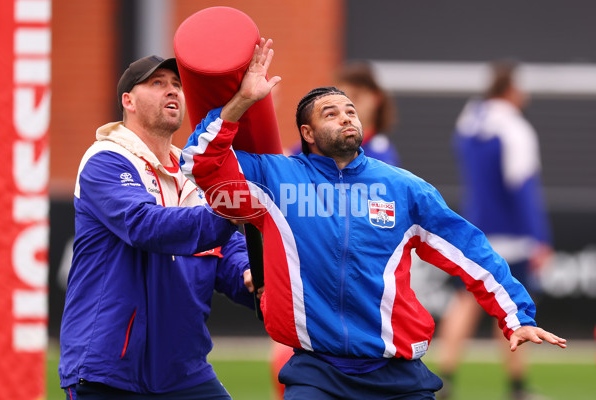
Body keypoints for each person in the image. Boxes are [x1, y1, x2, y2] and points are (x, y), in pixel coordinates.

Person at [180, 39, 566, 400]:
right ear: (307, 133)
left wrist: (515, 314)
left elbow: (470, 250)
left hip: (398, 373)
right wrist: (243, 102)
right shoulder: (274, 178)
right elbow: (197, 164)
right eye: (331, 113)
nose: (347, 117)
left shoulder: (405, 188)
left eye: (350, 110)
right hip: (317, 371)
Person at [58, 55, 259, 400]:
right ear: (128, 101)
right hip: (111, 368)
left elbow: (223, 250)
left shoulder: (192, 175)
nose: (172, 92)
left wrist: (249, 274)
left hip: (184, 368)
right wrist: (227, 213)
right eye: (157, 83)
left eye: (177, 85)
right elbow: (145, 226)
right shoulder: (104, 159)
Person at [271, 60, 402, 398]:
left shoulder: (380, 157)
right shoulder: (317, 154)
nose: (344, 114)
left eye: (353, 101)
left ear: (374, 101)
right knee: (286, 362)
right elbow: (280, 169)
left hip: (358, 287)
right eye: (333, 109)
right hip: (314, 280)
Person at [435, 60, 554, 400]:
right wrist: (540, 237)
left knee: (464, 302)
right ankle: (517, 388)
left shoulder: (469, 123)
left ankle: (444, 380)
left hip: (475, 229)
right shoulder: (515, 129)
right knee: (514, 308)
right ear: (511, 90)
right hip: (512, 236)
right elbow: (523, 188)